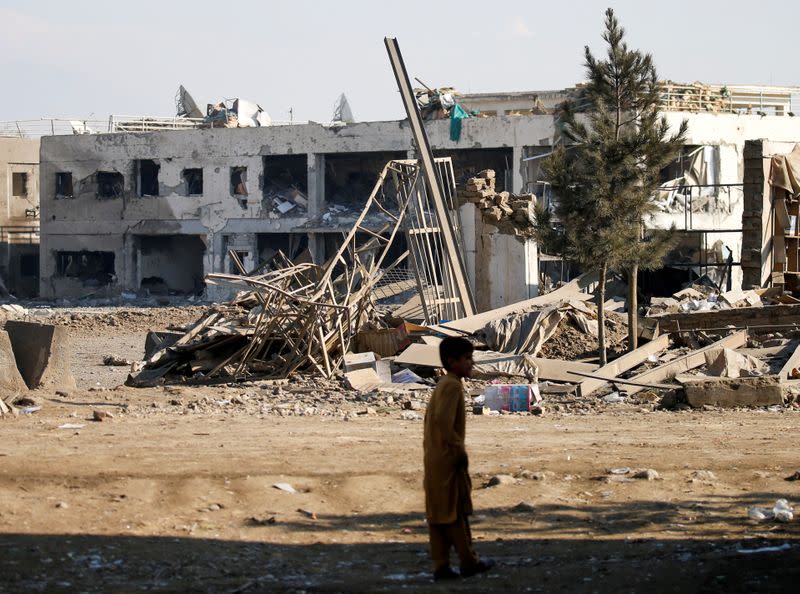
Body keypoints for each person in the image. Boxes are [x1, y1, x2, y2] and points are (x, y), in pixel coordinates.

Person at [423, 336, 495, 581]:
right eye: (467, 359)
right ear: (453, 362)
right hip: (448, 457)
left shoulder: (444, 383)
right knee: (455, 511)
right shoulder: (453, 385)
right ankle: (468, 560)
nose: (471, 363)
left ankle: (441, 565)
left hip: (435, 457)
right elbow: (444, 421)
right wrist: (458, 450)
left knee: (438, 513)